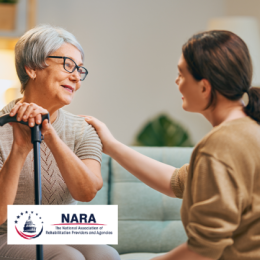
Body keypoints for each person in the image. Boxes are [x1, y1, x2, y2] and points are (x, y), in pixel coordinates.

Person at [81, 30, 260, 260]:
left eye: (181, 74)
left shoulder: (220, 145)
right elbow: (177, 182)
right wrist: (112, 146)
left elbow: (204, 249)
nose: (177, 81)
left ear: (204, 87)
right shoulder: (248, 131)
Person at [0, 25, 120, 260]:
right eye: (68, 65)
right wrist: (20, 148)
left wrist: (50, 135)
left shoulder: (84, 129)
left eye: (80, 69)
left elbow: (86, 192)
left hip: (60, 230)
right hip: (6, 235)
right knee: (68, 257)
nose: (76, 77)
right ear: (32, 68)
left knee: (108, 255)